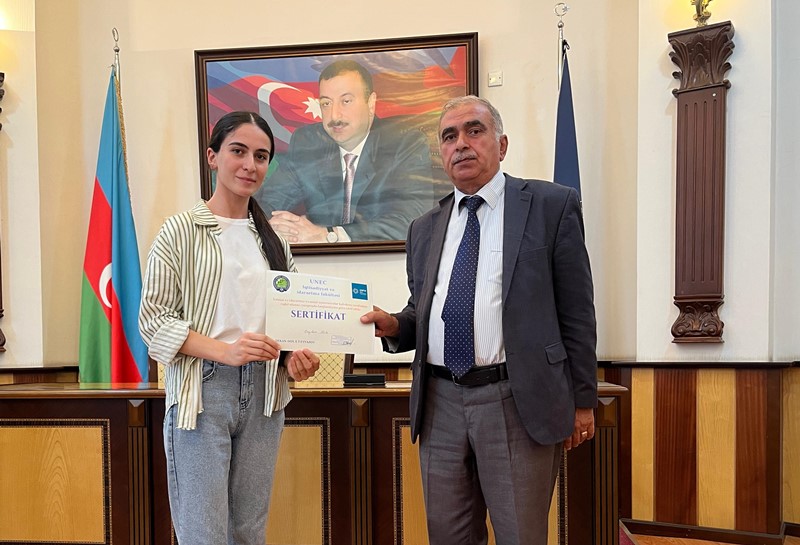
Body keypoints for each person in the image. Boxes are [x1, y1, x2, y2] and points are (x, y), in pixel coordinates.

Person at [361, 96, 597, 544]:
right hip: (439, 404)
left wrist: (583, 400)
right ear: (441, 153)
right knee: (448, 536)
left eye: (474, 130)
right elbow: (423, 311)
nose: (461, 144)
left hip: (515, 399)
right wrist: (394, 325)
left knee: (520, 536)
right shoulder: (424, 227)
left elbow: (577, 312)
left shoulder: (550, 205)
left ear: (501, 144)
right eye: (449, 136)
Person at [138, 111, 320, 545]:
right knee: (204, 534)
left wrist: (296, 358)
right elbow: (153, 321)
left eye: (261, 156)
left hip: (266, 395)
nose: (249, 165)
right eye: (238, 151)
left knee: (247, 532)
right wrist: (226, 352)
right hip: (202, 394)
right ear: (213, 156)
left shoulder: (274, 240)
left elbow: (291, 320)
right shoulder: (179, 231)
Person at [255, 59, 435, 243]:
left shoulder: (404, 143)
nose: (334, 116)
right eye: (326, 103)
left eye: (346, 101)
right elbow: (268, 204)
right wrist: (275, 226)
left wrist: (328, 235)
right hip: (319, 260)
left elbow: (411, 221)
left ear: (371, 103)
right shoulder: (308, 142)